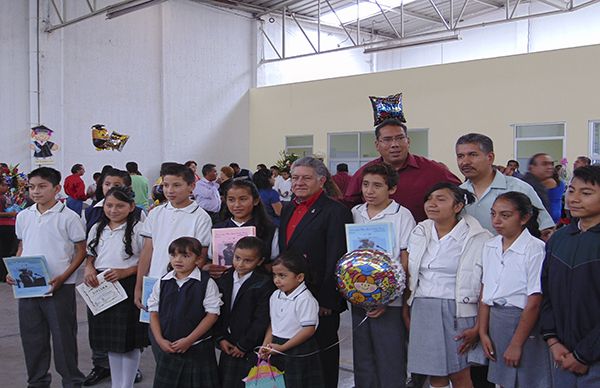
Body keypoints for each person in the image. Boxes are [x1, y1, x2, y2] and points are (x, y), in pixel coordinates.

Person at [6, 167, 87, 387]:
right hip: (29, 287)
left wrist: (63, 277)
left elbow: (81, 250)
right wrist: (13, 269)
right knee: (32, 338)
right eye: (32, 187)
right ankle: (37, 381)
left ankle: (72, 381)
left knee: (63, 339)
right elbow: (23, 246)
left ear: (57, 188)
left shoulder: (69, 217)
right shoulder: (24, 216)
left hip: (59, 287)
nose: (36, 192)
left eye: (42, 186)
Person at [405, 183, 491, 388]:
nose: (432, 204)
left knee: (459, 373)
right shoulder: (420, 231)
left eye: (441, 199)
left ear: (458, 206)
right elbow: (411, 273)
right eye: (429, 199)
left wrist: (480, 325)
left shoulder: (478, 237)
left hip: (457, 310)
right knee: (435, 374)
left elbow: (485, 283)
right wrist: (406, 310)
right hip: (423, 309)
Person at [278, 156, 352, 388]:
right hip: (291, 297)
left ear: (321, 181)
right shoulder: (288, 208)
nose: (299, 182)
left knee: (323, 361)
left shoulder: (335, 211)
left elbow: (337, 258)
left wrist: (327, 300)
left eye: (306, 178)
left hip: (320, 300)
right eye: (295, 177)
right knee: (296, 360)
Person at [350, 163, 415, 388]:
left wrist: (387, 297)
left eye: (377, 186)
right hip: (359, 296)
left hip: (390, 300)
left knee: (390, 356)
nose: (369, 191)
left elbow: (405, 258)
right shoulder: (355, 213)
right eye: (366, 185)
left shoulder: (402, 215)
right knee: (363, 356)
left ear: (392, 189)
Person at [478, 192, 551, 388]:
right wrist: (483, 331)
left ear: (524, 218)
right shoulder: (490, 246)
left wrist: (517, 343)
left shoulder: (534, 248)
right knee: (501, 381)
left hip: (521, 321)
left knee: (526, 379)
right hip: (496, 320)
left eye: (505, 215)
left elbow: (534, 301)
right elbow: (486, 291)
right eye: (493, 214)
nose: (496, 221)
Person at [540, 165, 600, 387]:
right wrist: (553, 340)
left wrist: (584, 355)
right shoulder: (560, 238)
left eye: (586, 193)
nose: (574, 198)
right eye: (572, 190)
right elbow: (546, 292)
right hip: (562, 354)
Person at [84, 187, 149, 388]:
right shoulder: (97, 228)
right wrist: (88, 269)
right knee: (111, 342)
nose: (113, 210)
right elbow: (90, 256)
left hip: (128, 286)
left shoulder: (139, 228)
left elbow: (147, 261)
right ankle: (116, 384)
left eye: (120, 206)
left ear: (131, 207)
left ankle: (126, 384)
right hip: (101, 286)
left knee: (128, 341)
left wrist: (126, 272)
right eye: (109, 205)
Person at [134, 163, 212, 327]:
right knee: (155, 333)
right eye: (165, 185)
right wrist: (139, 286)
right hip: (154, 283)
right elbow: (147, 252)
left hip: (184, 286)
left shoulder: (201, 217)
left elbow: (201, 257)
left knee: (179, 330)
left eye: (176, 185)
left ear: (191, 186)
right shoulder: (156, 213)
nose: (169, 190)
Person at [345, 118, 461, 222]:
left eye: (400, 138)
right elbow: (349, 204)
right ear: (377, 145)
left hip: (425, 239)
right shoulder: (365, 173)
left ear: (408, 141)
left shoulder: (433, 170)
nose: (394, 144)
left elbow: (460, 194)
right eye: (387, 139)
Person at [147, 237, 222, 388]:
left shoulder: (206, 283)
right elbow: (153, 312)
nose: (178, 260)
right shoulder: (163, 282)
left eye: (185, 256)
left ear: (198, 258)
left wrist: (189, 340)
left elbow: (212, 314)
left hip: (198, 348)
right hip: (169, 346)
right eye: (174, 255)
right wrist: (160, 340)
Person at [455, 133, 555, 239]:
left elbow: (545, 231)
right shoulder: (458, 194)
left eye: (473, 155)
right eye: (460, 156)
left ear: (490, 157)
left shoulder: (519, 189)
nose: (465, 162)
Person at [214, 237, 275, 388]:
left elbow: (262, 319)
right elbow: (218, 311)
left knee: (247, 383)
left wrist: (244, 345)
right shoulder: (226, 277)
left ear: (259, 261)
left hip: (250, 346)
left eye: (248, 260)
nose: (240, 264)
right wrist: (220, 338)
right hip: (228, 342)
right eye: (237, 258)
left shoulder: (264, 283)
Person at [260, 251, 325, 388]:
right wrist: (266, 344)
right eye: (275, 275)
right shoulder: (275, 295)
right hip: (277, 346)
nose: (277, 280)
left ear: (300, 277)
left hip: (297, 347)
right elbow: (274, 323)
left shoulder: (305, 299)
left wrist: (283, 347)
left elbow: (308, 330)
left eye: (282, 276)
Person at [210, 179, 279, 278]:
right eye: (231, 200)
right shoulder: (218, 229)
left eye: (243, 199)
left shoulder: (269, 229)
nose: (237, 205)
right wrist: (211, 268)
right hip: (224, 285)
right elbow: (210, 259)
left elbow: (275, 261)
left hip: (258, 287)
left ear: (255, 200)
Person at [0, 177, 18, 281]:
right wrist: (11, 213)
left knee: (8, 251)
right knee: (4, 251)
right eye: (4, 185)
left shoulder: (5, 197)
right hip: (3, 226)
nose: (6, 187)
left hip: (9, 225)